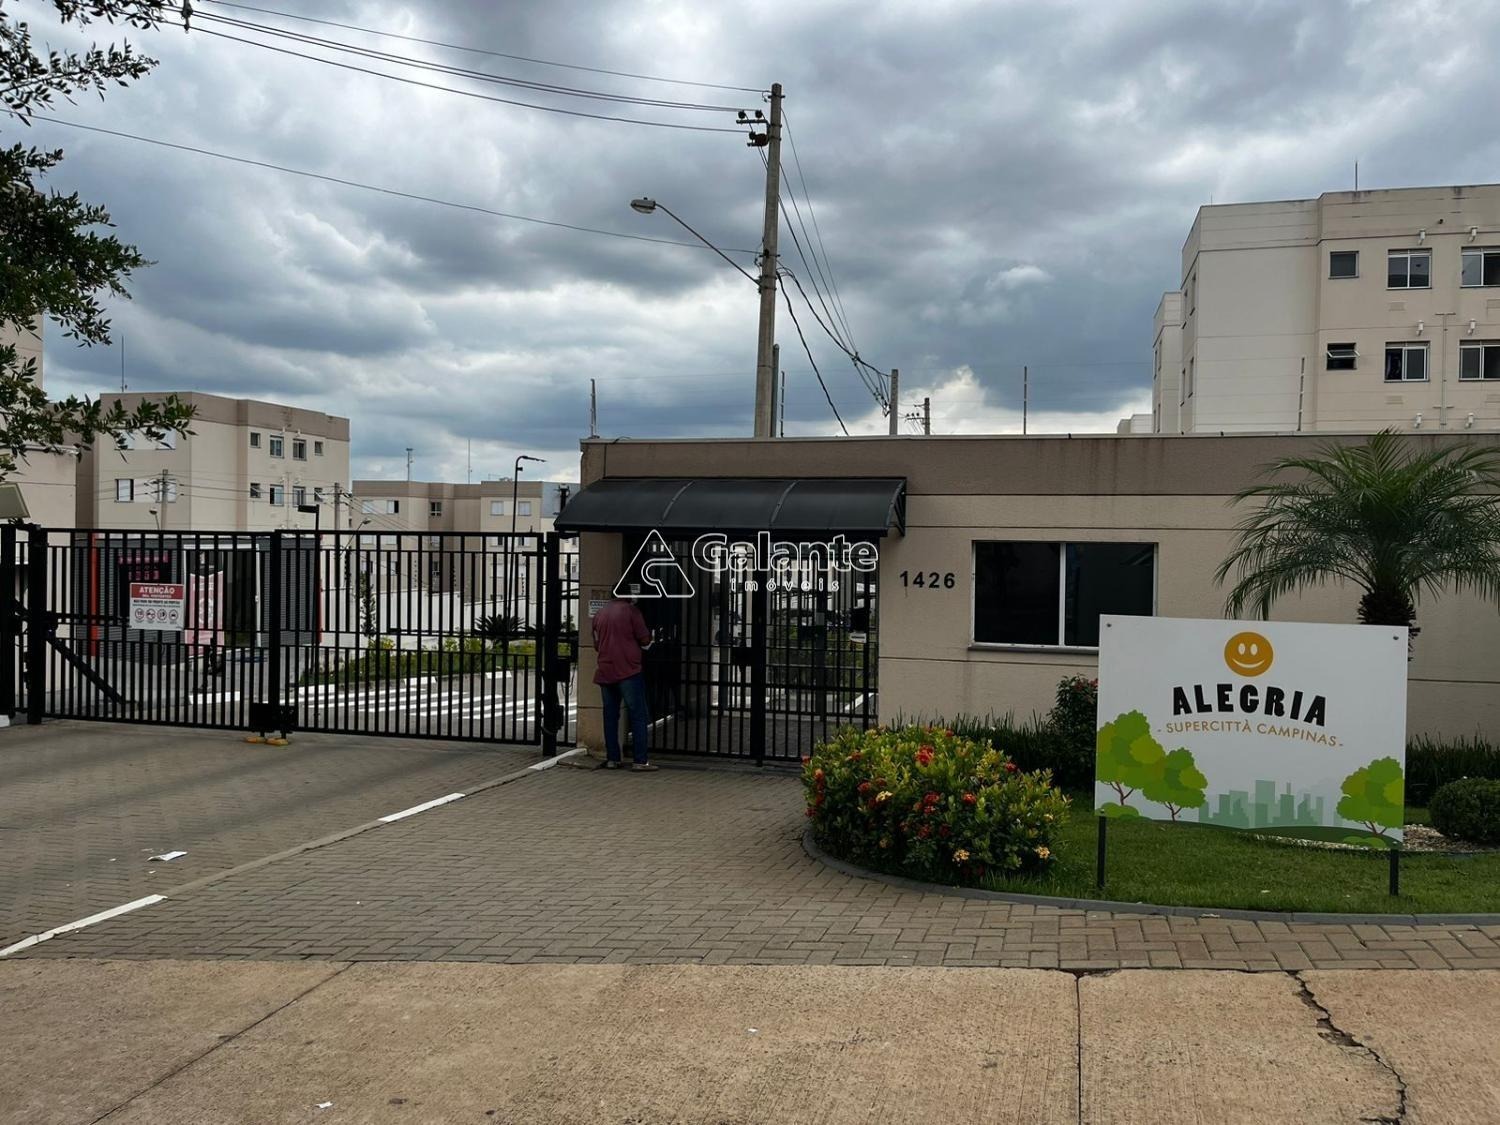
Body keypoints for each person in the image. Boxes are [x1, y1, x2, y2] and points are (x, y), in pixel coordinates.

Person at [592, 586, 657, 771]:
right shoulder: (631, 612)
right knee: (638, 715)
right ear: (628, 595)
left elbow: (596, 644)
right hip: (628, 670)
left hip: (605, 670)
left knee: (610, 716)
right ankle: (640, 760)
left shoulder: (599, 614)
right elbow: (644, 639)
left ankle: (612, 759)